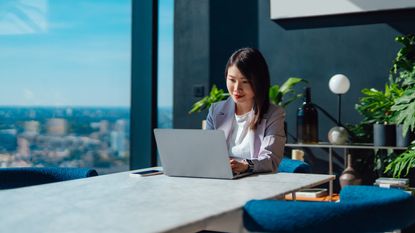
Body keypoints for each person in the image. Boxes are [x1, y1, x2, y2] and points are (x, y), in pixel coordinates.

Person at [206, 48, 285, 174]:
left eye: (245, 82)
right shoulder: (216, 110)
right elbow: (207, 152)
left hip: (255, 183)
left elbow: (271, 159)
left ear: (259, 82)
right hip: (221, 180)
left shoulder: (273, 114)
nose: (237, 88)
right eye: (232, 80)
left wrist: (247, 165)